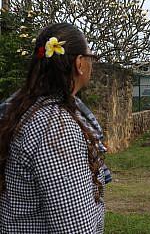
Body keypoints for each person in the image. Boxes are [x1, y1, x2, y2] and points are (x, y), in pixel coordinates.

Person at [0, 23, 109, 233]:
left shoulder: (27, 109)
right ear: (79, 63)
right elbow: (74, 227)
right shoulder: (57, 128)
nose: (92, 65)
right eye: (91, 57)